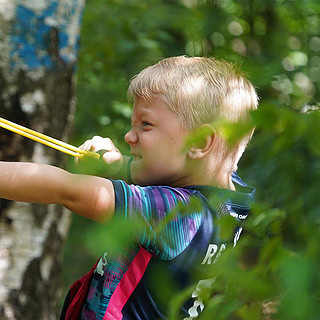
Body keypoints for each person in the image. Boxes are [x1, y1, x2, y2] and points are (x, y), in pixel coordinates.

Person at [0, 56, 257, 320]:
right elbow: (164, 170)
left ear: (201, 142)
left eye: (145, 125)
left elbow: (68, 189)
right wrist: (116, 165)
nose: (128, 137)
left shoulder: (174, 214)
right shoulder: (231, 198)